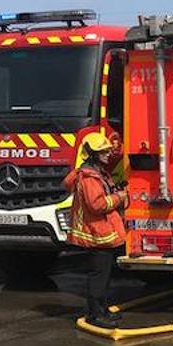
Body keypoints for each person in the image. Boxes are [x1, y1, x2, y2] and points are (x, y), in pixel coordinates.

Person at [64, 133, 129, 328]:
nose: (108, 154)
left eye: (107, 150)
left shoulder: (97, 171)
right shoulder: (89, 177)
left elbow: (116, 155)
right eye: (103, 151)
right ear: (92, 154)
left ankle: (102, 309)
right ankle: (95, 315)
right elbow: (96, 205)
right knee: (98, 276)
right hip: (96, 234)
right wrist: (118, 197)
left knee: (104, 274)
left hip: (100, 232)